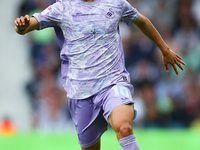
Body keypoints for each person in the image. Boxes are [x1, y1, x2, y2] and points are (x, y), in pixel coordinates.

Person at [14, 0, 186, 149]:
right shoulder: (62, 7)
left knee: (124, 127)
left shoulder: (116, 3)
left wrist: (165, 50)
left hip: (113, 82)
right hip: (81, 91)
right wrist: (22, 26)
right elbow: (29, 25)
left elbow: (141, 21)